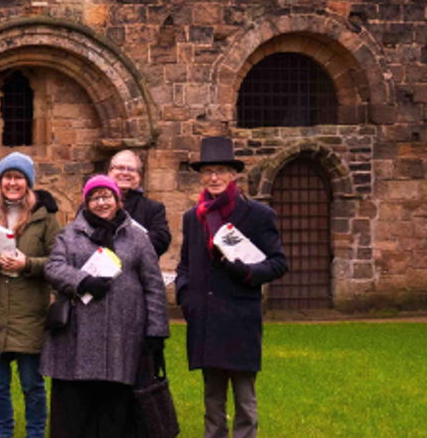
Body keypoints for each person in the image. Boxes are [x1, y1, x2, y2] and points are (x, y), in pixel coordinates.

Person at [176, 136, 288, 438]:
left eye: (221, 171)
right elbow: (185, 264)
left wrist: (248, 272)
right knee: (212, 400)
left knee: (244, 401)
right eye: (208, 171)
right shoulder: (191, 218)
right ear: (201, 176)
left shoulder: (258, 215)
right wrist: (185, 296)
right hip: (206, 318)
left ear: (232, 175)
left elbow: (278, 263)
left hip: (239, 317)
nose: (214, 178)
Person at [42, 176, 169, 438]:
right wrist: (82, 280)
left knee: (115, 414)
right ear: (86, 202)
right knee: (74, 413)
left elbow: (153, 285)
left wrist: (156, 330)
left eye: (106, 196)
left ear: (117, 200)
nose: (101, 202)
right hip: (75, 339)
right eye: (94, 197)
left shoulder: (137, 237)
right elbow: (53, 267)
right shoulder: (69, 234)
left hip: (122, 338)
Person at [0, 152, 59, 438]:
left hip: (29, 312)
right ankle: (3, 433)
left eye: (19, 177)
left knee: (32, 385)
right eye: (8, 177)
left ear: (28, 182)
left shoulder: (45, 215)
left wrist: (27, 263)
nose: (13, 182)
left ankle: (34, 434)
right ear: (0, 181)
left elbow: (57, 260)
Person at [109, 150, 171, 260]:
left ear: (139, 176)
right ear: (110, 172)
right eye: (120, 168)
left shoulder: (153, 208)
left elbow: (161, 242)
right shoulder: (92, 205)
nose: (125, 173)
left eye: (131, 169)